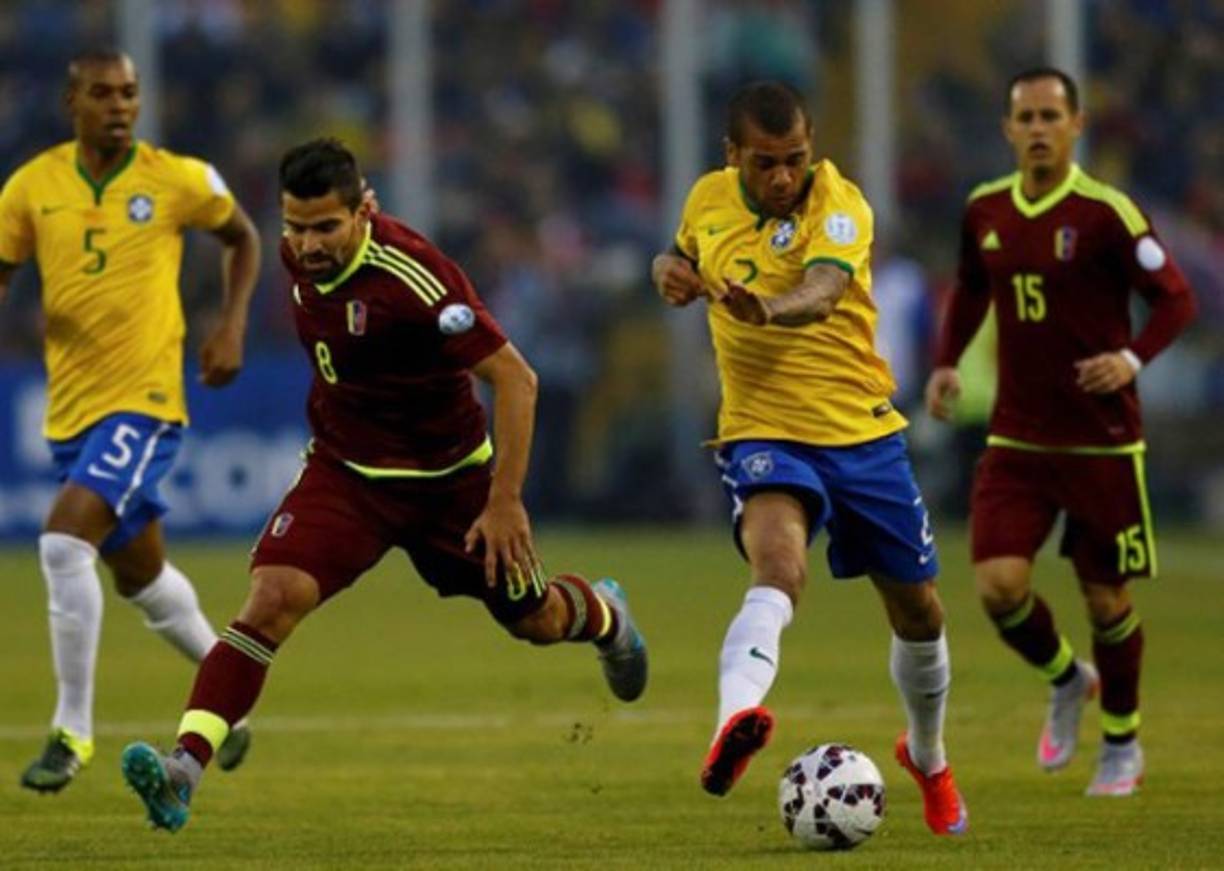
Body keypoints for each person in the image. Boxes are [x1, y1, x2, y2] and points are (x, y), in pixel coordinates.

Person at [120, 138, 648, 833]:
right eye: (296, 227)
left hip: (449, 487)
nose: (307, 245)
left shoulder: (417, 279)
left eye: (325, 228)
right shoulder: (295, 255)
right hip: (347, 474)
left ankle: (606, 614)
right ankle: (183, 769)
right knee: (271, 600)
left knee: (536, 620)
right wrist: (236, 321)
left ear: (364, 209)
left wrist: (505, 499)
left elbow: (516, 378)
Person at [652, 81, 967, 836]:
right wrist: (668, 269)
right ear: (733, 157)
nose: (784, 177)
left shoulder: (841, 203)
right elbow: (681, 254)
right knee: (779, 567)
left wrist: (769, 307)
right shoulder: (707, 199)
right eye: (766, 163)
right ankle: (735, 721)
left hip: (860, 432)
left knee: (919, 610)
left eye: (795, 158)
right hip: (763, 428)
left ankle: (928, 754)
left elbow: (824, 290)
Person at [925, 68, 1196, 797]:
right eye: (1027, 117)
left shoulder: (1108, 213)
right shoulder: (985, 209)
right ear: (1009, 129)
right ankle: (1067, 678)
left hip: (1102, 443)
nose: (1039, 128)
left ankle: (1122, 743)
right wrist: (947, 363)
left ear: (1077, 126)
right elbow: (973, 287)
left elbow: (1175, 298)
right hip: (1018, 439)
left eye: (1052, 115)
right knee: (997, 587)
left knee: (1107, 600)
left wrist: (1130, 357)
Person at [0, 49, 261, 793]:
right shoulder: (30, 187)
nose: (120, 105)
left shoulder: (176, 178)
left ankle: (70, 732)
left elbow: (243, 237)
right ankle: (231, 704)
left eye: (130, 93)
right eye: (104, 94)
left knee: (60, 540)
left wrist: (231, 325)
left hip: (145, 401)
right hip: (69, 410)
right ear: (71, 101)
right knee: (141, 577)